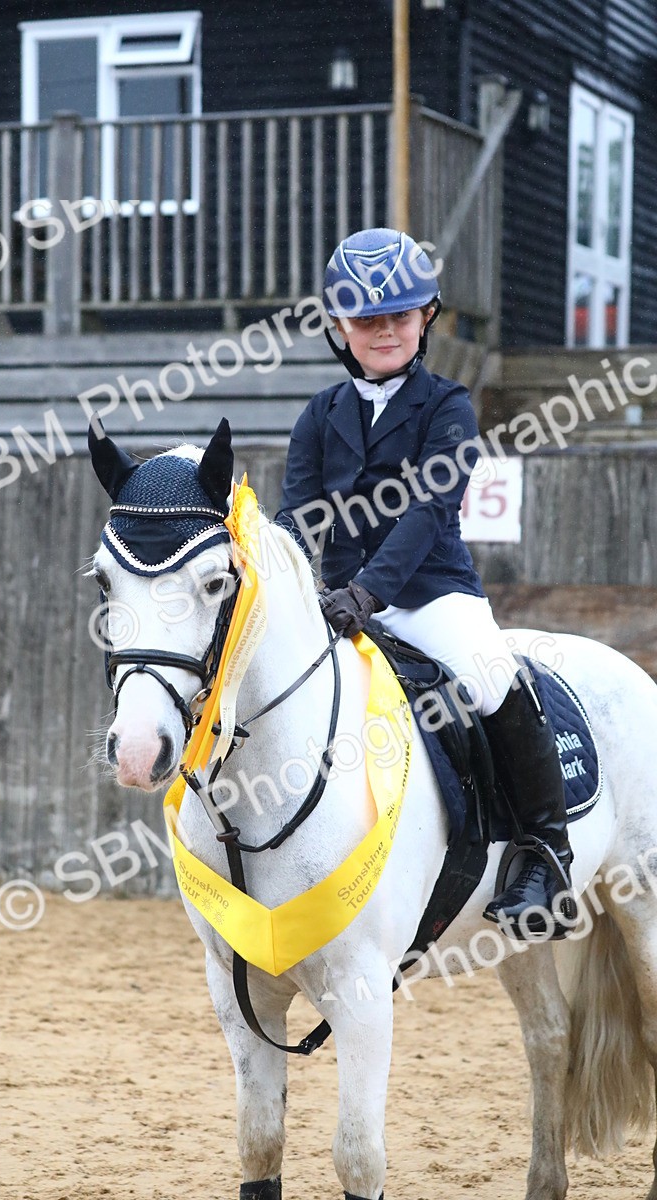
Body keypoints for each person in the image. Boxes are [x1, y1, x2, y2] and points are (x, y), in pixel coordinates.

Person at [275, 227, 573, 938]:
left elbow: (426, 512)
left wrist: (366, 593)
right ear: (337, 325)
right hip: (343, 604)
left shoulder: (449, 407)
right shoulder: (320, 415)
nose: (384, 332)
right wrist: (281, 583)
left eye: (399, 317)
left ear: (426, 318)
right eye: (367, 319)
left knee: (492, 675)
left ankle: (544, 852)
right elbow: (295, 516)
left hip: (432, 595)